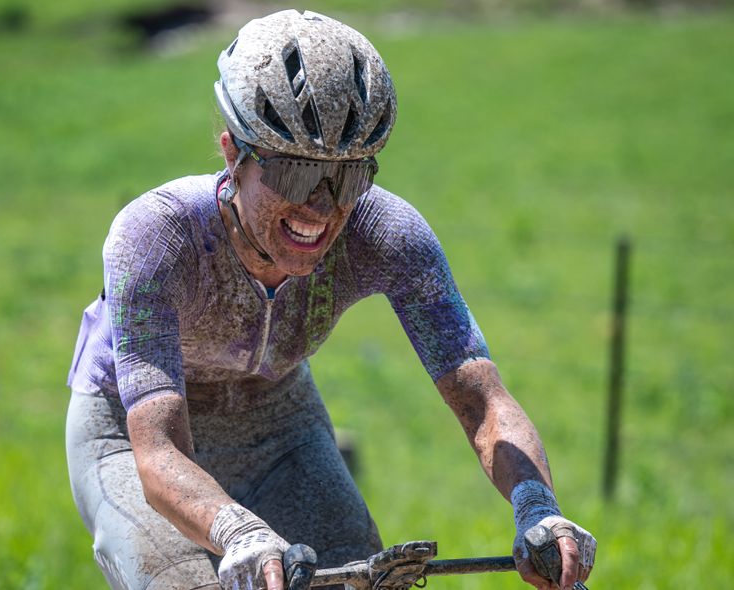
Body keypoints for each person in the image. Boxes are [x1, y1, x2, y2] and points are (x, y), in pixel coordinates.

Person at [65, 9, 596, 590]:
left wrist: (537, 507)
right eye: (293, 175)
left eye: (347, 177)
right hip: (132, 429)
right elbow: (159, 450)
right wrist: (237, 532)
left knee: (353, 580)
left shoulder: (387, 233)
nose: (320, 208)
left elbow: (481, 397)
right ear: (231, 154)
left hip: (278, 419)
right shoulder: (157, 236)